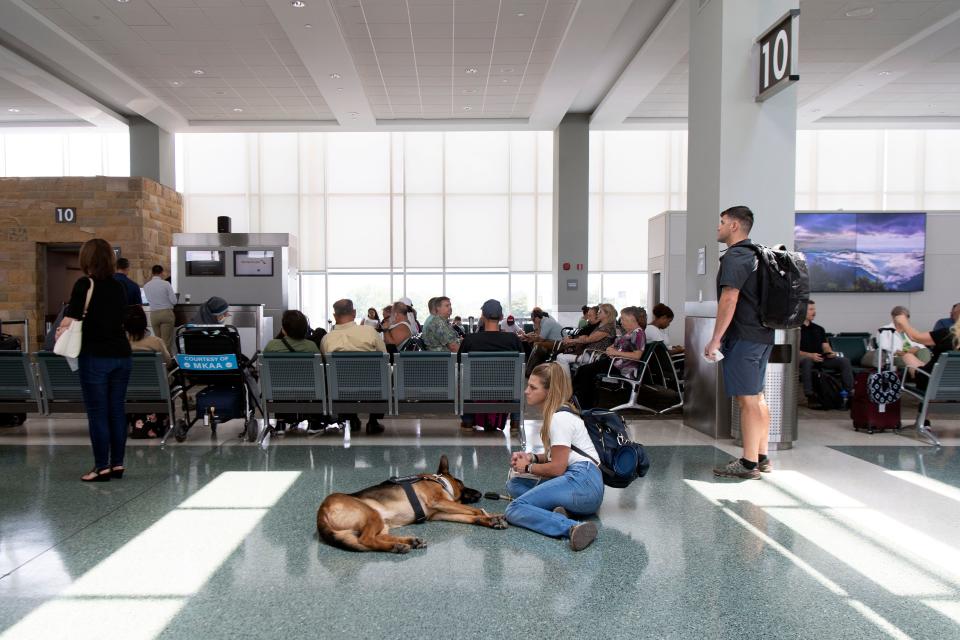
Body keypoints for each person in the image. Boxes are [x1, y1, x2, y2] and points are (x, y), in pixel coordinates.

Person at [705, 205, 773, 480]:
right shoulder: (757, 255)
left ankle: (748, 463)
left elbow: (730, 298)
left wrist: (715, 339)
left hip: (743, 336)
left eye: (721, 222)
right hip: (763, 334)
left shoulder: (735, 257)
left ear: (734, 225)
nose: (718, 227)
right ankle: (762, 456)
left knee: (747, 401)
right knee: (757, 397)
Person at [56, 239, 132, 482]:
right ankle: (118, 463)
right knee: (117, 410)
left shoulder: (84, 284)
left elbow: (71, 319)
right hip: (122, 355)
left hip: (95, 356)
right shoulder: (119, 286)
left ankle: (102, 467)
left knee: (98, 412)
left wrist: (61, 330)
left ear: (86, 259)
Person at [504, 362, 602, 551]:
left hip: (583, 481)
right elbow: (557, 456)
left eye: (533, 387)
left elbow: (557, 468)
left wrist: (527, 468)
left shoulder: (560, 419)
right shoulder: (560, 414)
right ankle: (559, 513)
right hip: (585, 485)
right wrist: (531, 457)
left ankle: (572, 527)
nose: (526, 391)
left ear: (549, 391)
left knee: (514, 509)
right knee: (514, 484)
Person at [320, 299, 387, 434]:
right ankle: (373, 422)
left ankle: (351, 419)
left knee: (337, 378)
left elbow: (324, 364)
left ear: (334, 316)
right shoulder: (370, 332)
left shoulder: (327, 339)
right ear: (354, 312)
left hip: (341, 386)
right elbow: (384, 357)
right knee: (382, 373)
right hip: (372, 385)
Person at [458, 299, 524, 432]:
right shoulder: (512, 339)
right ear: (501, 317)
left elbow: (459, 364)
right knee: (518, 381)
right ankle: (515, 423)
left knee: (464, 380)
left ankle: (468, 421)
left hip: (475, 390)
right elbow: (523, 365)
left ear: (482, 317)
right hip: (507, 390)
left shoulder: (470, 339)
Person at [573, 306, 646, 409]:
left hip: (622, 367)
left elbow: (637, 355)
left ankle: (584, 404)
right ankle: (578, 399)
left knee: (586, 371)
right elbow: (618, 346)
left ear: (632, 319)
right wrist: (610, 349)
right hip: (614, 362)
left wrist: (615, 352)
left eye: (624, 319)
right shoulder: (629, 332)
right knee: (583, 370)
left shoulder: (638, 333)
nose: (622, 321)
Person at [124, 305, 171, 439]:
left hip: (129, 389)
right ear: (144, 323)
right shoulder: (156, 342)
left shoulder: (121, 344)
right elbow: (168, 362)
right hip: (157, 390)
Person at [798, 300, 855, 405]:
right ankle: (810, 395)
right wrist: (810, 355)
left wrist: (830, 352)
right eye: (811, 309)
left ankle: (849, 392)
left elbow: (825, 346)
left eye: (814, 309)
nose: (814, 312)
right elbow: (794, 350)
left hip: (820, 358)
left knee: (844, 361)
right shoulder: (795, 329)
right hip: (803, 358)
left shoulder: (819, 329)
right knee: (807, 361)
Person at [893, 310, 960, 388]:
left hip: (931, 383)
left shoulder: (948, 335)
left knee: (907, 356)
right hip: (956, 386)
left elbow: (915, 337)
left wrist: (904, 322)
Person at [555, 303, 617, 378]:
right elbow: (588, 338)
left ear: (607, 314)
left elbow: (589, 339)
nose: (598, 313)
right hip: (589, 352)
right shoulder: (602, 326)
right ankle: (567, 382)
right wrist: (584, 338)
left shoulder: (607, 328)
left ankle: (566, 384)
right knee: (561, 357)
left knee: (561, 357)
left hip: (594, 355)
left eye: (600, 312)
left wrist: (572, 341)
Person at [861, 306, 930, 371]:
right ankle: (925, 373)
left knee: (924, 350)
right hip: (895, 357)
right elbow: (883, 346)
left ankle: (923, 372)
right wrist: (902, 352)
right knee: (912, 359)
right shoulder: (884, 330)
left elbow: (920, 343)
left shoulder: (909, 330)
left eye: (907, 317)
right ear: (894, 317)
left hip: (913, 354)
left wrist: (917, 347)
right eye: (902, 317)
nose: (905, 320)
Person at [143, 264, 178, 355]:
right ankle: (167, 365)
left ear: (152, 273)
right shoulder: (166, 284)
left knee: (158, 341)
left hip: (154, 314)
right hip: (166, 313)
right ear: (162, 273)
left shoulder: (146, 286)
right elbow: (174, 301)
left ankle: (159, 363)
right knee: (166, 342)